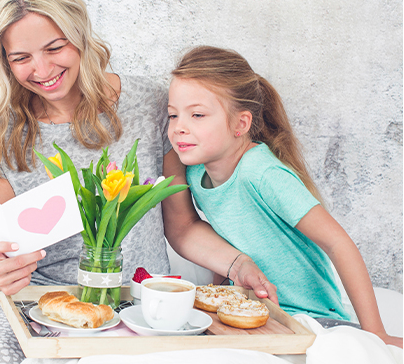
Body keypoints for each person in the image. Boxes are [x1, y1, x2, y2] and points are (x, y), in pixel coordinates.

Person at [0, 0, 277, 363]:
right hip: (45, 305)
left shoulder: (151, 104)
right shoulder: (3, 133)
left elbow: (183, 226)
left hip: (140, 304)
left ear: (80, 34)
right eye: (21, 58)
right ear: (5, 62)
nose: (42, 70)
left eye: (55, 48)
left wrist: (238, 264)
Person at [166, 45, 402, 347]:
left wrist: (376, 334)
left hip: (310, 317)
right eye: (173, 115)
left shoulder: (261, 172)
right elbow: (229, 235)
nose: (179, 128)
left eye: (197, 114)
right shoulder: (196, 173)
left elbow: (337, 242)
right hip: (258, 314)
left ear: (241, 124)